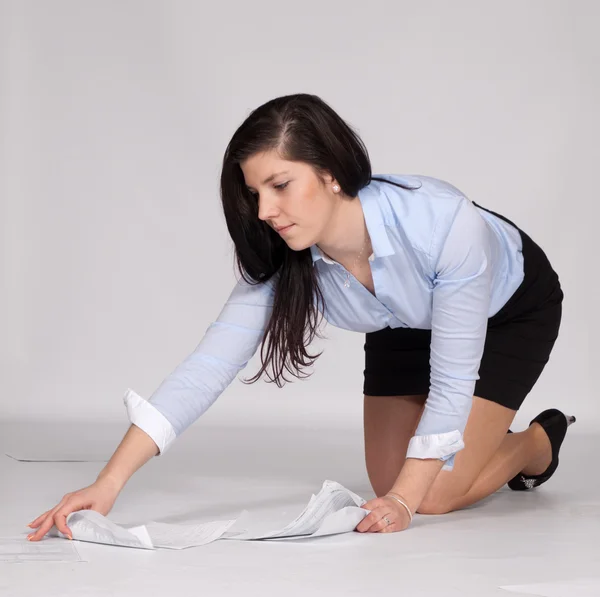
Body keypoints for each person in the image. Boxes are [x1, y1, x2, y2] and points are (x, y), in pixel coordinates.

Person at [26, 93, 575, 540]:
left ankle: (534, 443)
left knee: (428, 495)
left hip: (504, 309)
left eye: (280, 185)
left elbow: (452, 380)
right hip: (401, 321)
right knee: (390, 477)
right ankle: (484, 453)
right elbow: (207, 366)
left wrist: (406, 502)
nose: (265, 211)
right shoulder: (286, 258)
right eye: (254, 193)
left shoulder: (445, 225)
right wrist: (108, 483)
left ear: (332, 174)